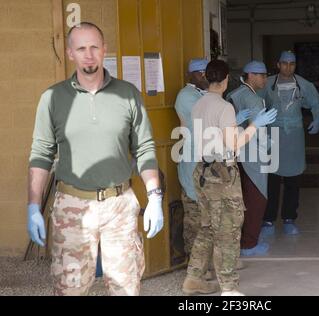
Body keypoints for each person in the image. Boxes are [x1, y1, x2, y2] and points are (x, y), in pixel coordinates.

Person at [27, 22, 163, 296]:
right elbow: (41, 155)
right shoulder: (52, 98)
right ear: (70, 54)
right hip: (71, 209)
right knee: (70, 290)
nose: (88, 54)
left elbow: (145, 148)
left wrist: (155, 197)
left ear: (104, 50)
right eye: (81, 48)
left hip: (119, 206)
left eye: (94, 47)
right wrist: (32, 206)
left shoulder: (128, 94)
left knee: (126, 288)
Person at [182, 60, 277, 296]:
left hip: (202, 169)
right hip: (221, 173)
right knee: (228, 230)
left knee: (207, 227)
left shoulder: (199, 104)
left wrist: (235, 121)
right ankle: (229, 287)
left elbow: (210, 133)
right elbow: (233, 144)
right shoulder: (224, 107)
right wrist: (254, 125)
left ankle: (193, 278)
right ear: (225, 80)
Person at [259, 51, 319, 236]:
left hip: (294, 136)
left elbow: (316, 104)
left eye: (292, 64)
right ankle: (268, 220)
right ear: (278, 64)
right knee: (271, 180)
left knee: (293, 180)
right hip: (273, 136)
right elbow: (255, 102)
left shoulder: (304, 85)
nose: (288, 67)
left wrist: (317, 119)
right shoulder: (267, 84)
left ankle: (289, 218)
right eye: (285, 63)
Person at [226, 61, 270, 256]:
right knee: (257, 198)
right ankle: (250, 243)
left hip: (237, 153)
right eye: (262, 75)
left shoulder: (233, 94)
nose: (265, 79)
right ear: (250, 75)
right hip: (253, 154)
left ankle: (242, 240)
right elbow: (257, 128)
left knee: (243, 198)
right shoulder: (253, 99)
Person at [174, 58, 209, 255]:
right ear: (191, 75)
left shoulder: (204, 93)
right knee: (194, 216)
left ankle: (205, 263)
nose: (205, 76)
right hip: (192, 159)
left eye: (207, 72)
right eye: (200, 73)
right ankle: (193, 264)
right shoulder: (186, 95)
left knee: (208, 217)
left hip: (206, 158)